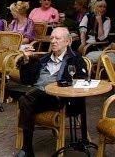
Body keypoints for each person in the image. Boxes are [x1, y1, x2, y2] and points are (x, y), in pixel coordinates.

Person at [14, 27, 88, 157]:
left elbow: (83, 80)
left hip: (59, 99)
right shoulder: (44, 59)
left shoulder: (75, 59)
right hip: (37, 98)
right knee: (22, 94)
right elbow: (27, 80)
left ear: (67, 42)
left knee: (26, 97)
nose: (53, 41)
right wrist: (26, 61)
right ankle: (27, 150)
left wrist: (64, 85)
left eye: (57, 38)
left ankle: (26, 149)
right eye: (52, 38)